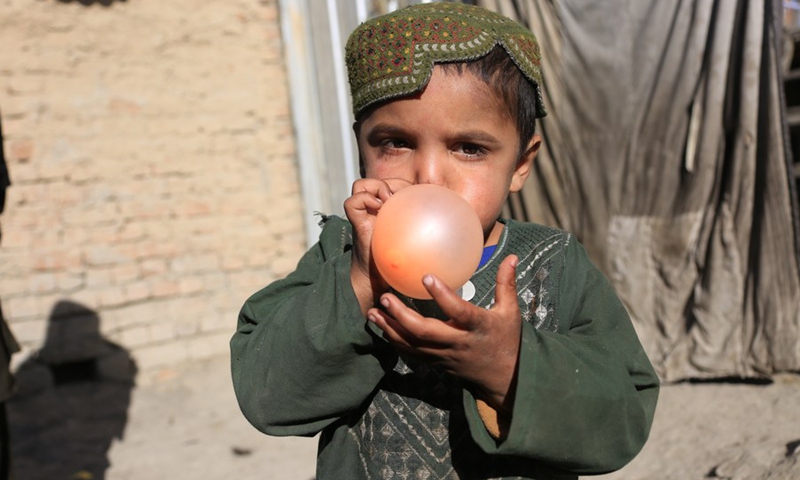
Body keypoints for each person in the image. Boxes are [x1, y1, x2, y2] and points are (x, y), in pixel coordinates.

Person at [231, 3, 659, 479]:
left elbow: (625, 415)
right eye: (395, 142)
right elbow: (266, 397)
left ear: (521, 163)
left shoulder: (556, 264)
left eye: (469, 148)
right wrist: (359, 284)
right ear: (361, 149)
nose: (429, 177)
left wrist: (509, 365)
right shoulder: (343, 253)